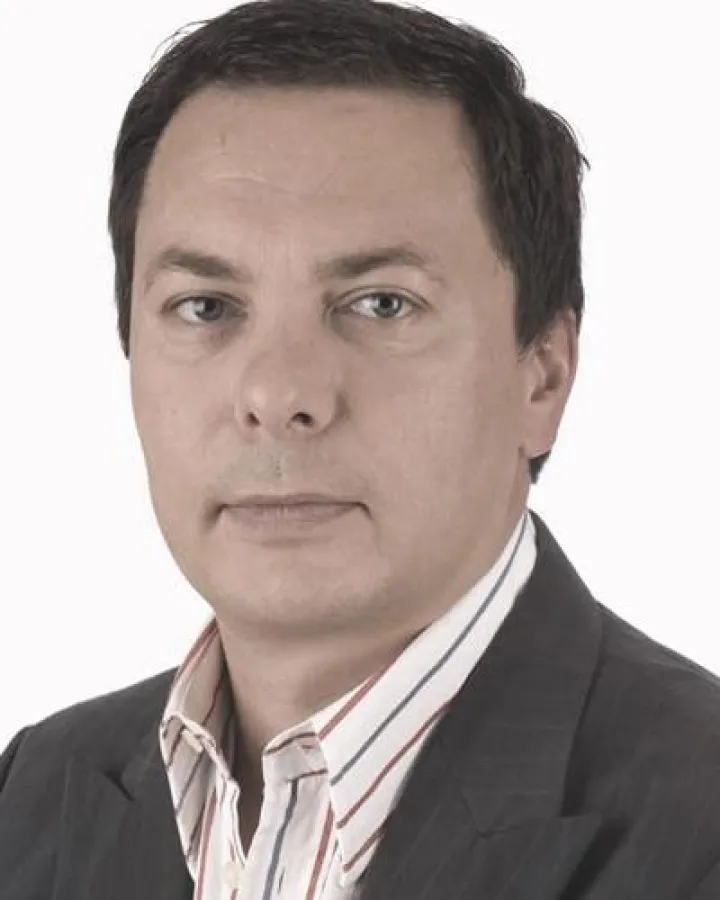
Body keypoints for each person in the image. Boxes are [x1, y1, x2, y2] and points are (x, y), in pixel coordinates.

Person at [1, 0, 719, 897]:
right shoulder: (33, 796)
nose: (278, 396)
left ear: (542, 374)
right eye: (206, 307)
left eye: (382, 304)